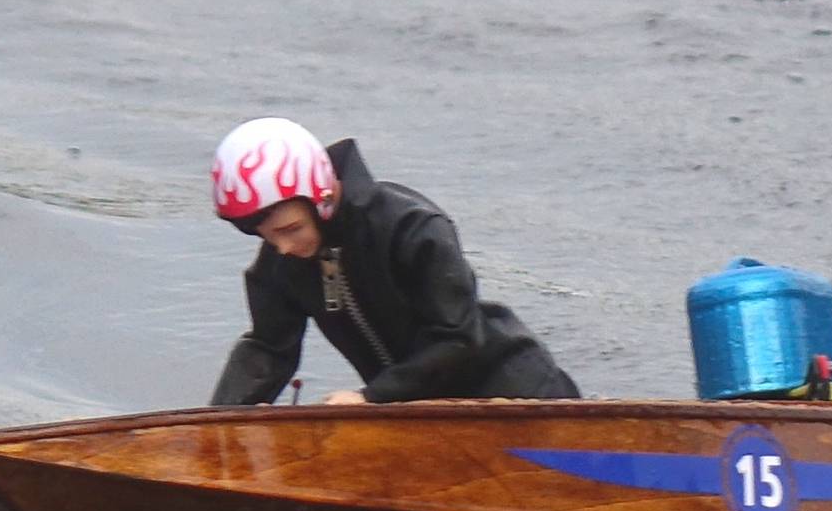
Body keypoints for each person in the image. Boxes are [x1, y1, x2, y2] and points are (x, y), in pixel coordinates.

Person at [208, 117, 580, 406]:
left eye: (291, 229)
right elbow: (268, 350)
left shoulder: (410, 227)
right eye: (268, 236)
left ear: (321, 199)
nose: (282, 247)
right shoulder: (281, 263)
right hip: (415, 412)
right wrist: (214, 427)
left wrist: (373, 398)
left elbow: (457, 337)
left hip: (518, 396)